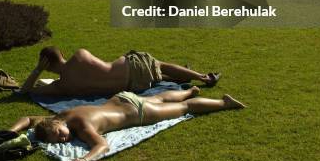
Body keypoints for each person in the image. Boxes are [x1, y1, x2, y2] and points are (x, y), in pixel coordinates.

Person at [9, 86, 245, 161]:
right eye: (59, 140)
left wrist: (85, 159)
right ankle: (190, 89)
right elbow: (29, 118)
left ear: (57, 123)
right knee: (161, 98)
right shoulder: (61, 116)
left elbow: (102, 145)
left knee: (183, 109)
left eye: (60, 134)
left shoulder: (80, 126)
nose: (63, 140)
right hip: (122, 99)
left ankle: (224, 103)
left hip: (138, 113)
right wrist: (12, 131)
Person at [20, 47, 221, 96]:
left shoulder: (62, 85)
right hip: (129, 68)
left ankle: (180, 75)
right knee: (160, 65)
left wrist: (38, 70)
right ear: (61, 54)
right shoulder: (79, 55)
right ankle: (204, 77)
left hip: (129, 86)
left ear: (46, 64)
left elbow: (25, 91)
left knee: (156, 72)